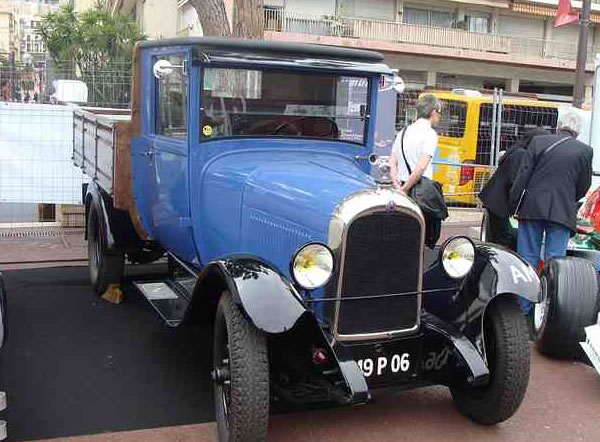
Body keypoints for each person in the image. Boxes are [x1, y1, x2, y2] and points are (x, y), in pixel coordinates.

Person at [510, 111, 593, 320]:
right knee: (556, 262)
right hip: (562, 212)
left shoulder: (538, 142)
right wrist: (568, 199)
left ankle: (523, 308)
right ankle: (549, 312)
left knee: (527, 257)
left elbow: (522, 176)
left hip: (533, 208)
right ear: (578, 131)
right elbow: (583, 186)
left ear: (558, 126)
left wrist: (514, 204)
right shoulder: (585, 151)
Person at [479, 127, 549, 250]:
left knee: (499, 237)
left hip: (495, 200)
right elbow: (516, 181)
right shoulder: (521, 154)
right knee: (502, 240)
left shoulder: (516, 151)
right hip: (500, 203)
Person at [390, 94, 441, 196]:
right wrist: (405, 189)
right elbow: (421, 167)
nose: (439, 116)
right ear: (434, 111)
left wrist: (397, 185)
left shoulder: (403, 132)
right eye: (439, 113)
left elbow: (392, 161)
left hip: (400, 184)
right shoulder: (430, 134)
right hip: (420, 190)